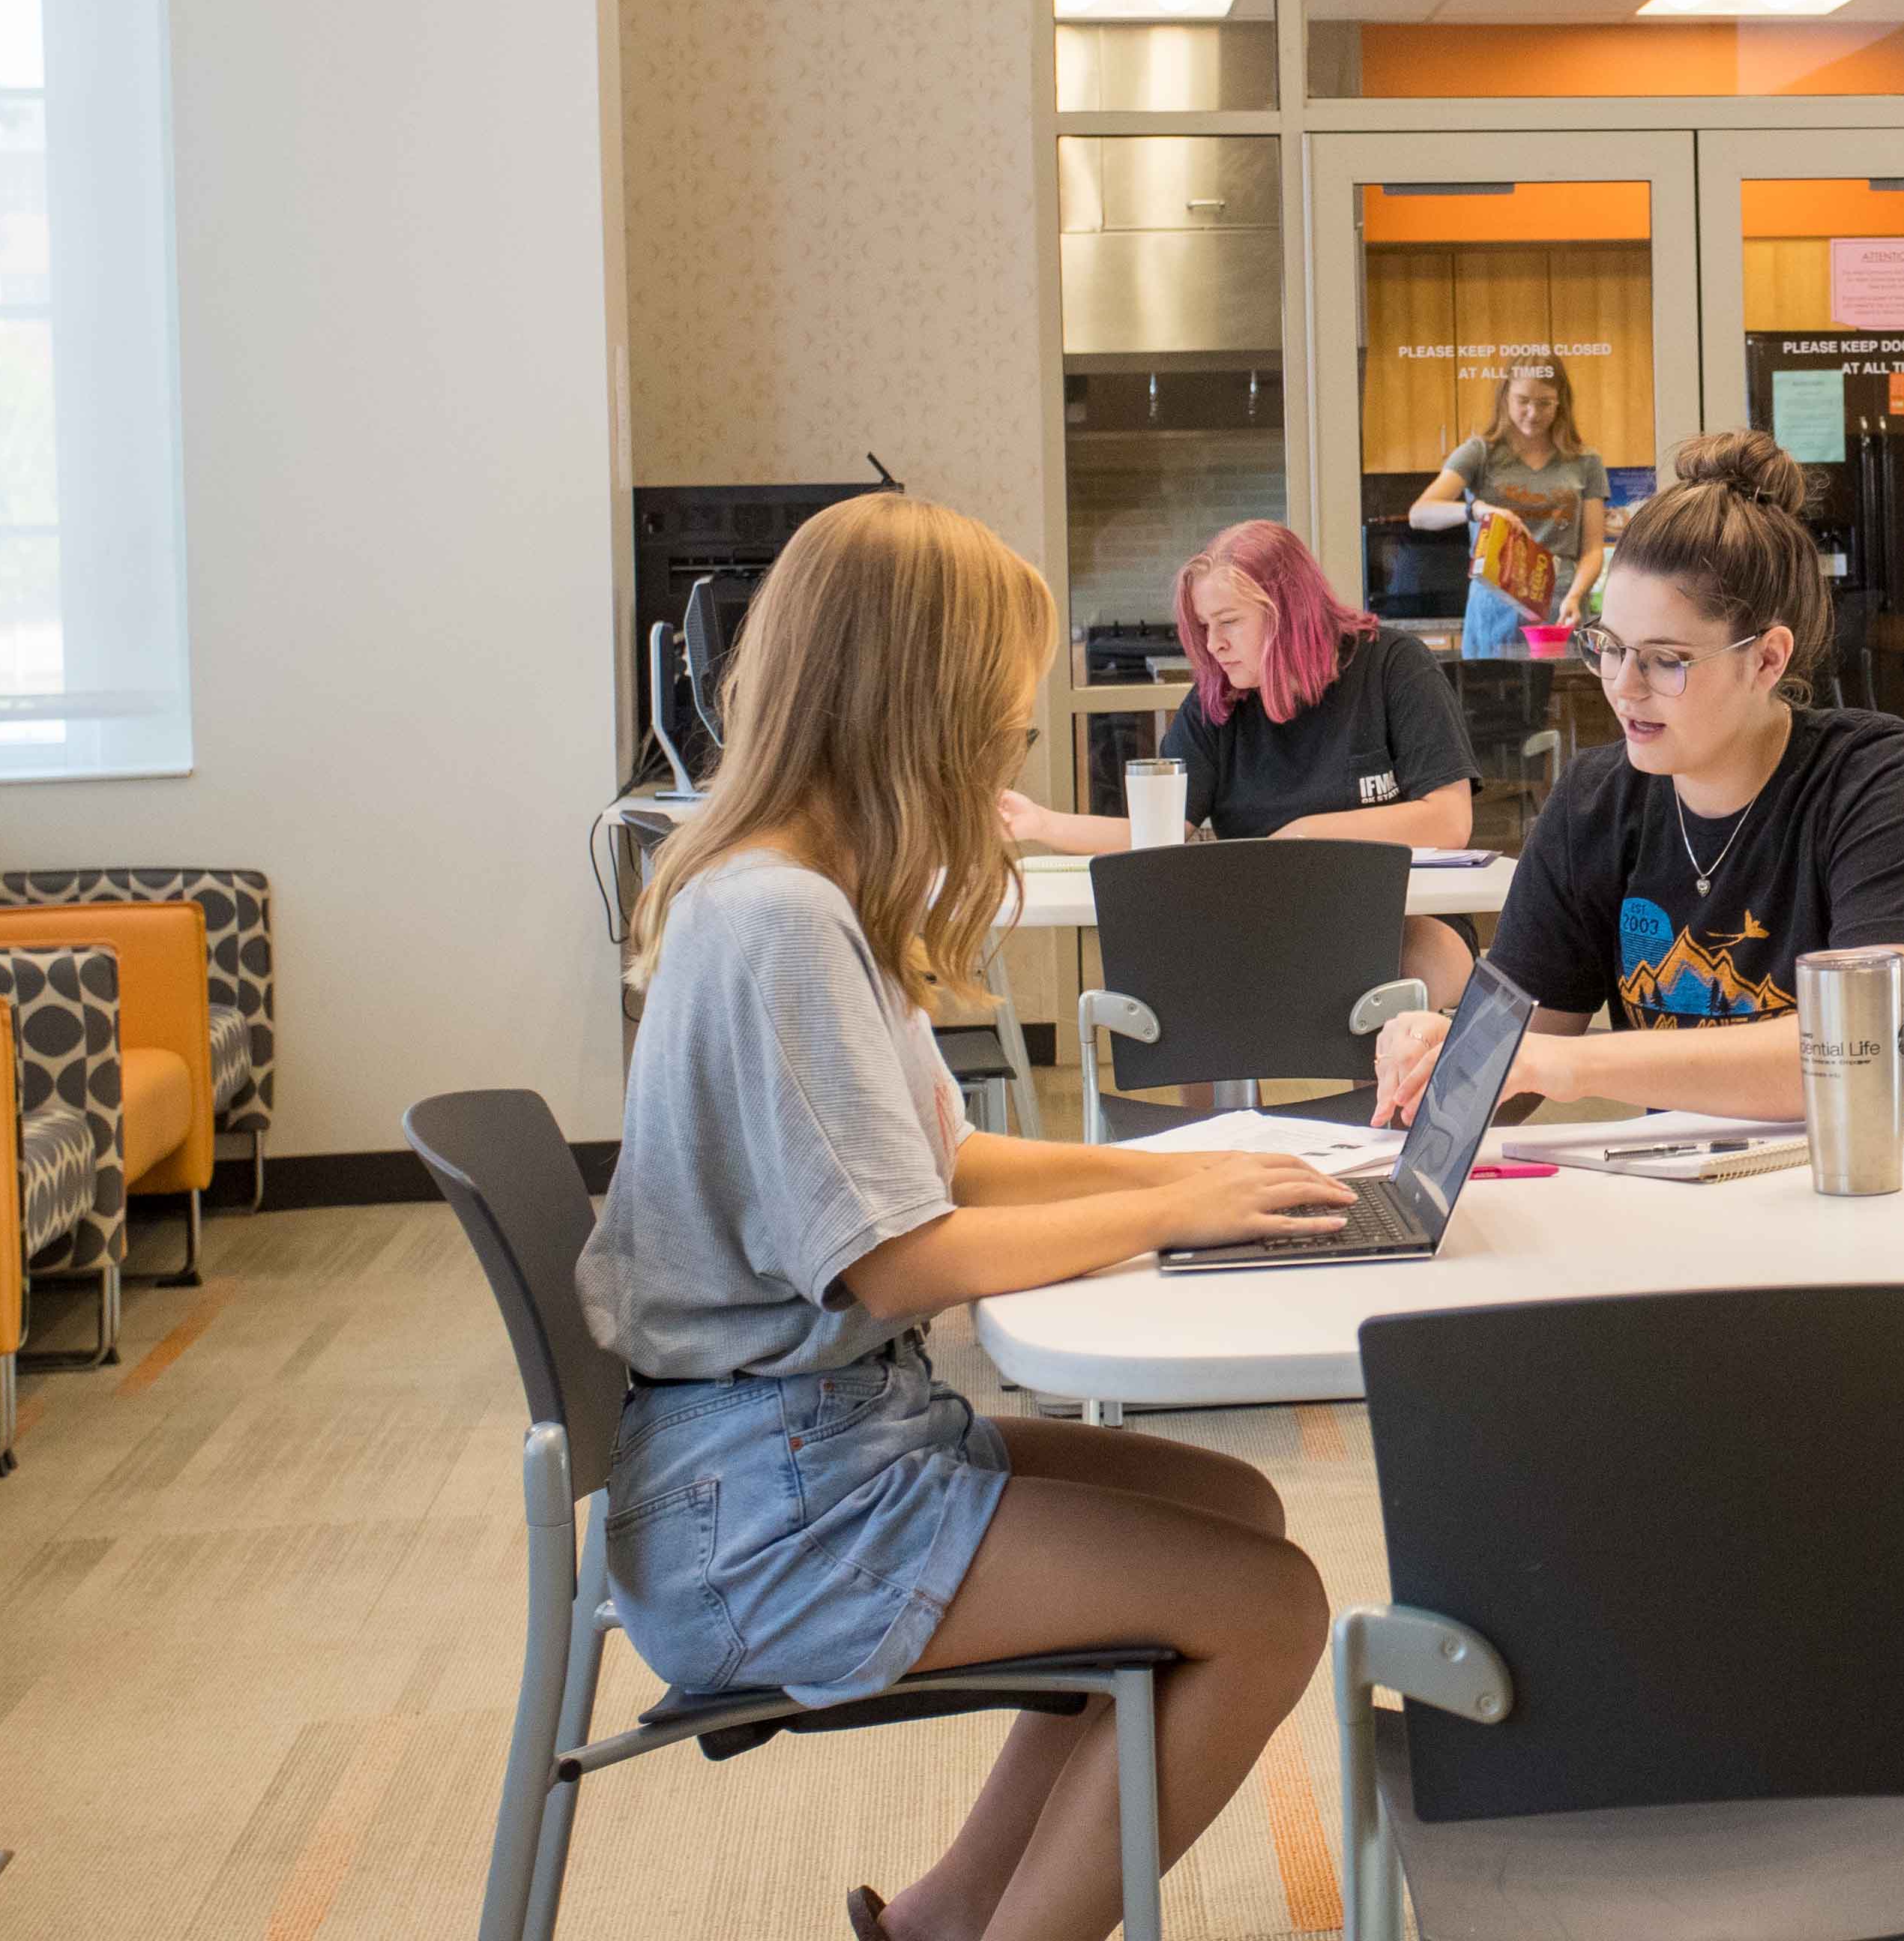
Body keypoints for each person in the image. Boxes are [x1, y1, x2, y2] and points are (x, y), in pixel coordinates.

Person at [577, 493, 1355, 1941]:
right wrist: (1174, 1210)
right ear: (913, 713)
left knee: (1231, 1512)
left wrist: (1200, 1174)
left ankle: (938, 1927)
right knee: (1268, 1606)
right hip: (769, 1509)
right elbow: (899, 1260)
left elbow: (956, 1159)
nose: (1008, 753)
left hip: (802, 1447)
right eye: (997, 723)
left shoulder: (804, 894)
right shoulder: (777, 921)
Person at [1371, 432, 1904, 1132]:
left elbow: (1867, 1054)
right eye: (1610, 647)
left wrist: (1561, 1063)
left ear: (1767, 659)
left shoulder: (1881, 782)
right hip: (1712, 1181)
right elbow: (1516, 1064)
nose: (1623, 687)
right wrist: (1445, 1058)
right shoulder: (1596, 802)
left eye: (1665, 660)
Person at [1002, 518, 1478, 1002]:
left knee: (1416, 966)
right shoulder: (1215, 704)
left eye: (1229, 622)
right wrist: (1040, 822)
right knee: (1176, 981)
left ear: (1289, 612)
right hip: (1273, 927)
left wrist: (1302, 838)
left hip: (1400, 917)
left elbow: (1449, 820)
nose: (1214, 645)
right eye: (1205, 627)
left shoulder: (1394, 665)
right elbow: (1154, 836)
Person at [1408, 356, 1615, 656]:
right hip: (1494, 606)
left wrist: (1575, 596)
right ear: (1505, 396)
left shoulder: (1586, 461)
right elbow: (1420, 513)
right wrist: (1477, 509)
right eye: (1523, 401)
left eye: (1545, 403)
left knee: (1562, 686)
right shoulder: (1480, 453)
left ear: (1561, 402)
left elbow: (1593, 549)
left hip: (1560, 605)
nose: (1533, 413)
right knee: (1491, 685)